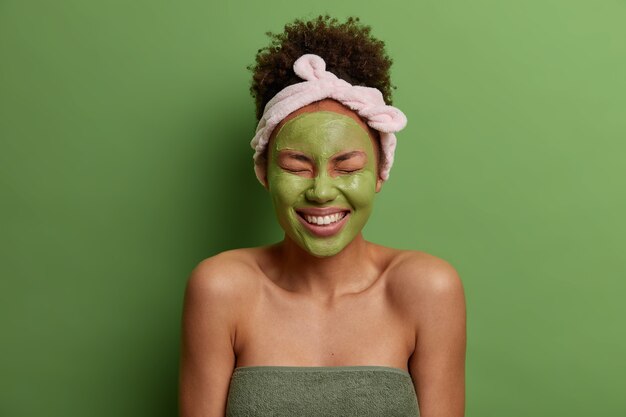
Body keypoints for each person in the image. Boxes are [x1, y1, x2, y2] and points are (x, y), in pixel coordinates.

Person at [179, 15, 466, 417]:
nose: (321, 191)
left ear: (380, 170)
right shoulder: (221, 289)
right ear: (264, 171)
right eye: (297, 166)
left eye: (347, 167)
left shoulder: (426, 289)